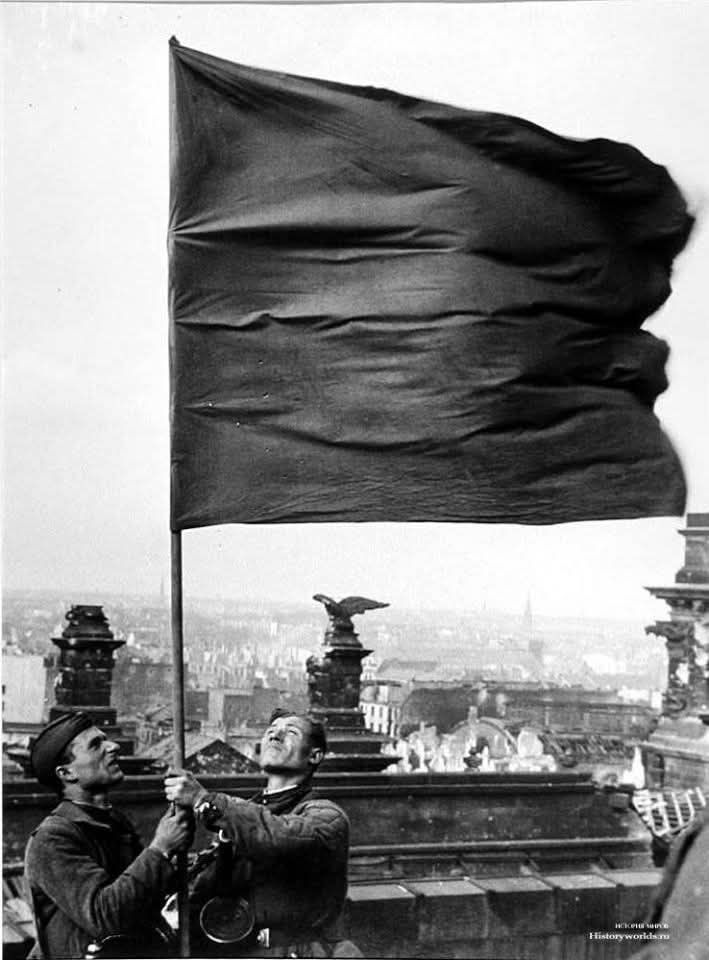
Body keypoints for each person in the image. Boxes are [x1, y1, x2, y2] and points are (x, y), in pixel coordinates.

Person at [164, 709, 361, 958]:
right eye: (271, 730)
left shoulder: (326, 816)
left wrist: (204, 801)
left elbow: (279, 837)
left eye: (291, 732)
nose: (275, 735)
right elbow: (208, 890)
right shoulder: (240, 816)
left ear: (314, 755)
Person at [24, 711, 193, 959]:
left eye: (106, 739)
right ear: (66, 773)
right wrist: (161, 848)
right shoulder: (52, 839)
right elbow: (106, 917)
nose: (113, 747)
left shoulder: (114, 823)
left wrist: (183, 852)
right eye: (96, 745)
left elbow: (144, 893)